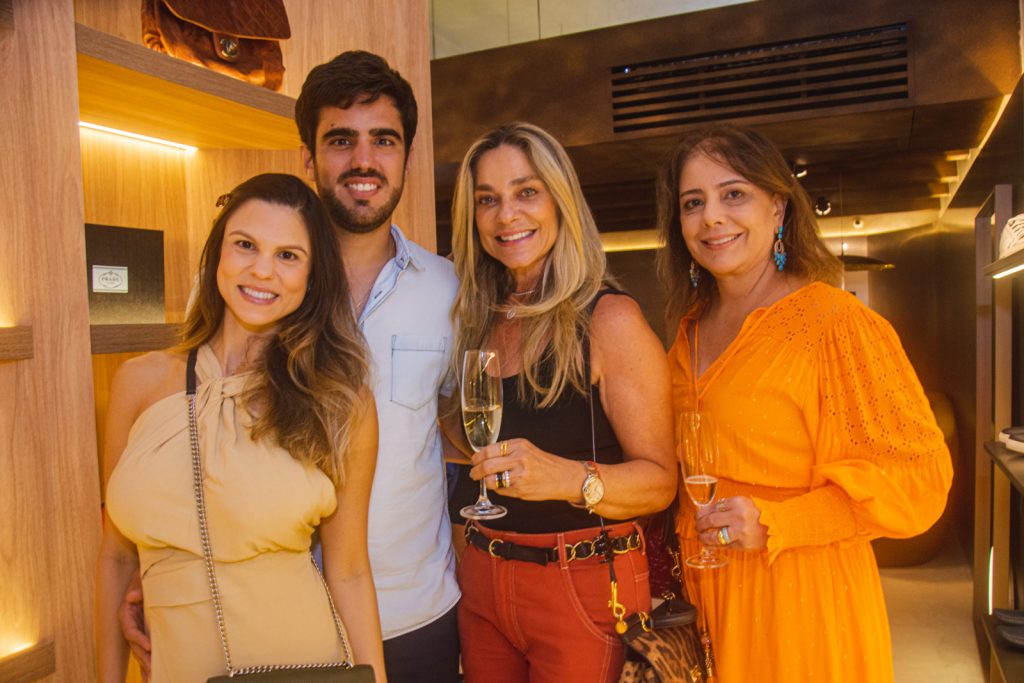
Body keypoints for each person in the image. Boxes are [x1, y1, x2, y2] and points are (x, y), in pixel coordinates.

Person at [119, 51, 461, 683]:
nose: (363, 161)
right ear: (308, 158)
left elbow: (463, 436)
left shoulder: (449, 292)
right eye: (340, 140)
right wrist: (166, 570)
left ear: (407, 157)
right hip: (255, 629)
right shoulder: (247, 287)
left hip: (412, 616)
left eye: (384, 141)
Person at [657, 124, 953, 682]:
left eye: (734, 194)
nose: (711, 217)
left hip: (799, 597)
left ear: (779, 207)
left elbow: (921, 477)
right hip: (705, 593)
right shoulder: (688, 331)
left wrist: (778, 522)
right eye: (692, 203)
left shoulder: (836, 324)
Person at [95, 173, 384, 682]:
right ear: (218, 256)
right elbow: (117, 557)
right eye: (245, 245)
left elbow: (350, 570)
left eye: (288, 256)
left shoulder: (339, 398)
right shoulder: (136, 382)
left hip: (300, 663)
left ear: (314, 277)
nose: (262, 270)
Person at [446, 122, 677, 682]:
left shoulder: (609, 320)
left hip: (582, 582)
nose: (507, 215)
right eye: (488, 200)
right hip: (481, 578)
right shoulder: (477, 316)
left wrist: (568, 479)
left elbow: (660, 481)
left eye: (527, 192)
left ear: (560, 200)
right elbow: (465, 443)